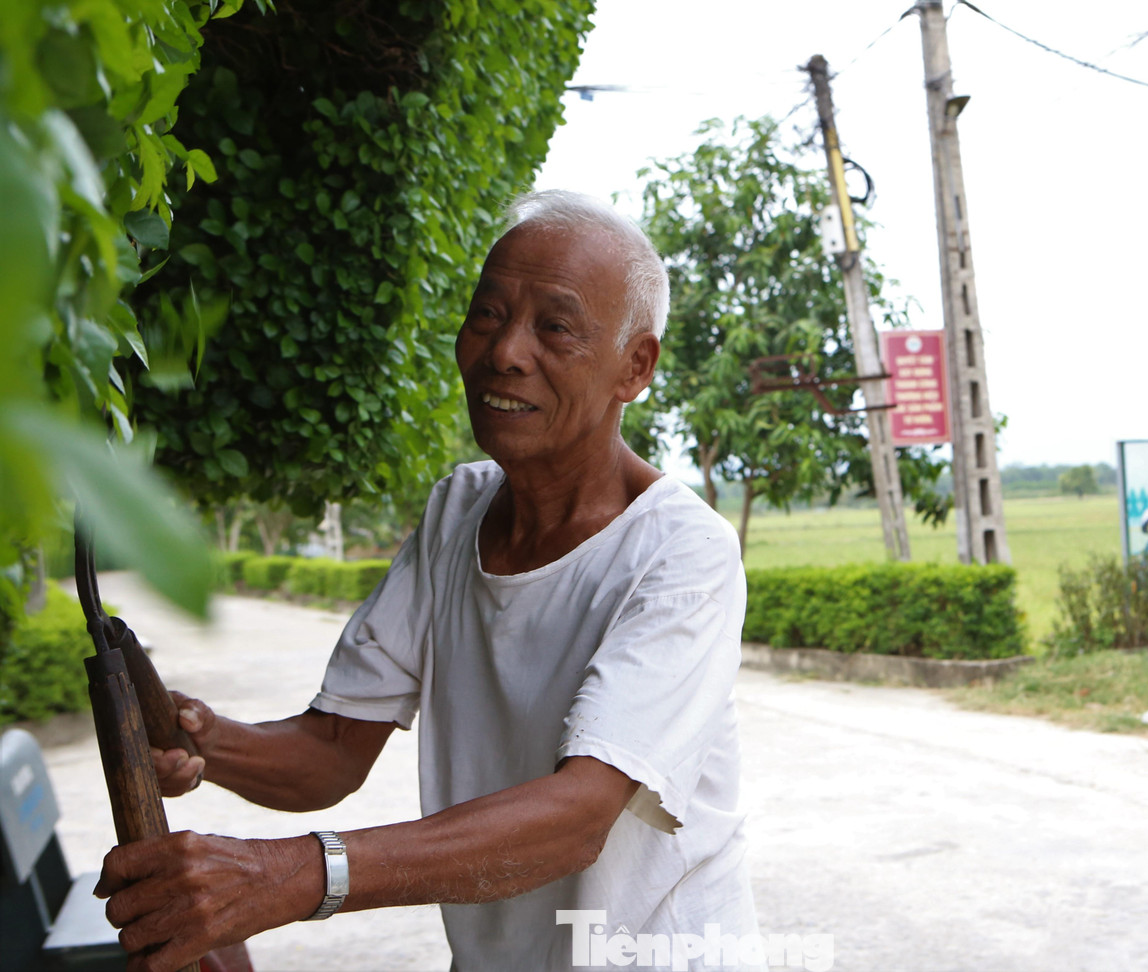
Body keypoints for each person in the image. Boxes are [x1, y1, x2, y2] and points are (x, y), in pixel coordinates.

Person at [95, 191, 761, 971]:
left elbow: (578, 818)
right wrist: (202, 738)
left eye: (554, 325)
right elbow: (334, 750)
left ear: (635, 367)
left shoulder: (684, 553)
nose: (505, 351)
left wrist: (287, 875)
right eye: (487, 313)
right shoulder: (458, 511)